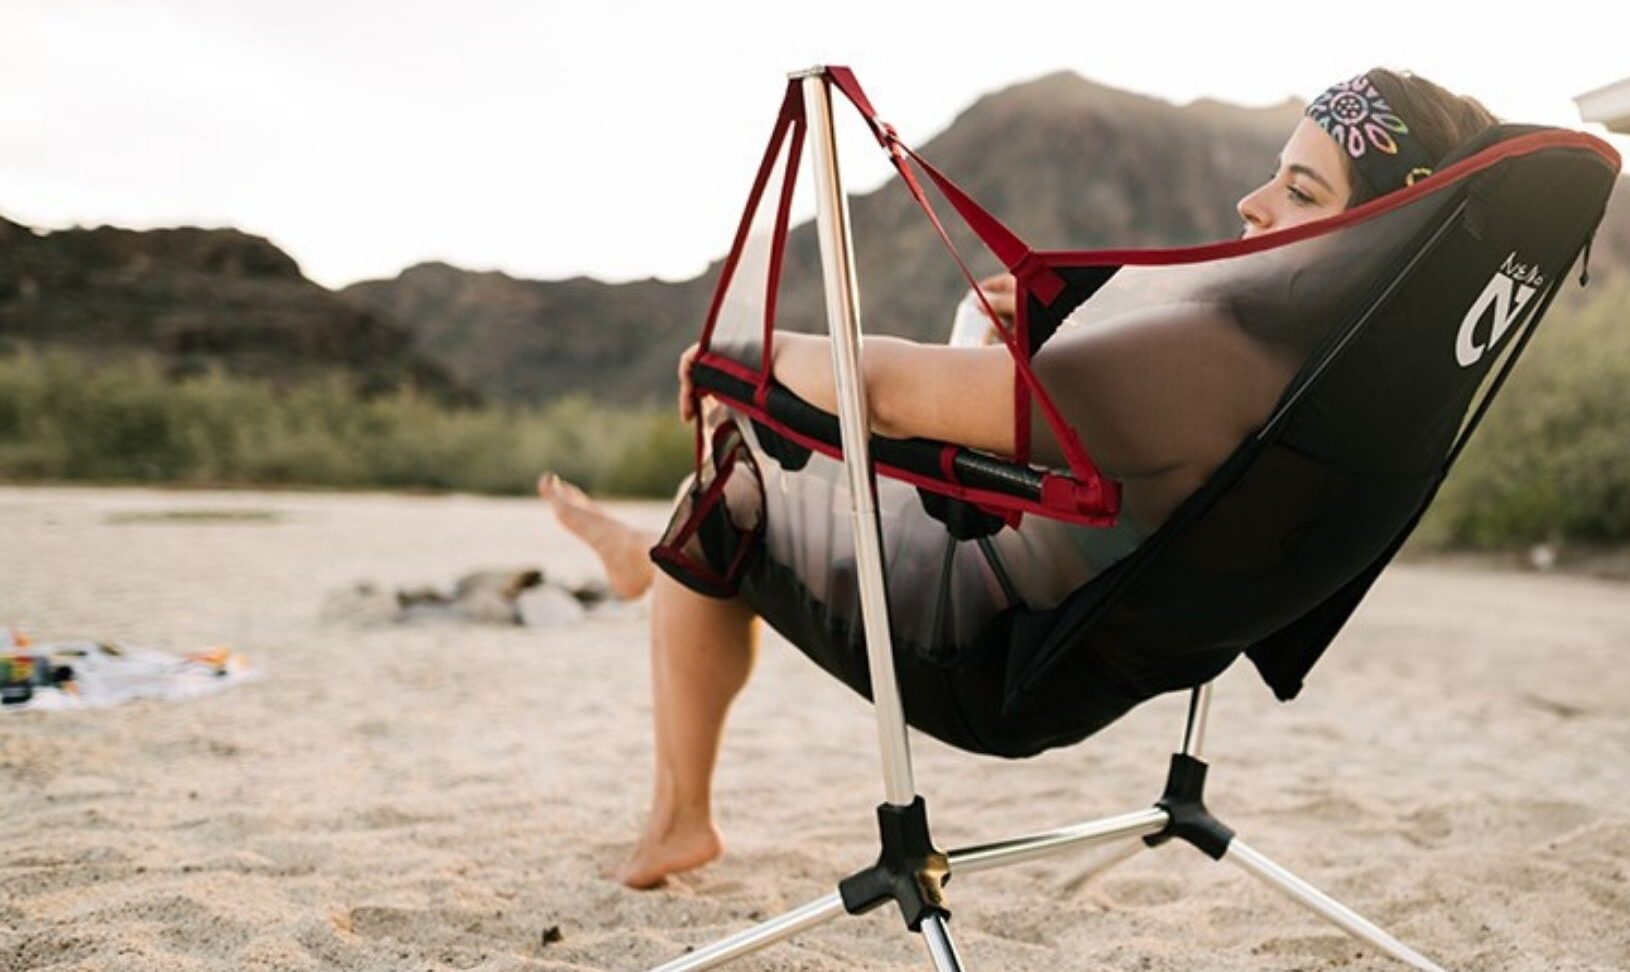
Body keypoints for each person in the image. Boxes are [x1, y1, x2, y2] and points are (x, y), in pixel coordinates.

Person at [540, 67, 1496, 889]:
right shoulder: (1340, 394)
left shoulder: (1221, 357)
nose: (1253, 202)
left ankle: (678, 810)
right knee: (746, 491)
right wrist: (1046, 360)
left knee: (733, 481)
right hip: (1077, 640)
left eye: (1299, 189)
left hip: (977, 650)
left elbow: (882, 393)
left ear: (1375, 235)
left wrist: (744, 353)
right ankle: (649, 564)